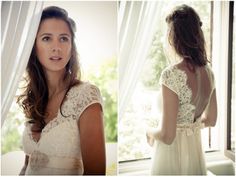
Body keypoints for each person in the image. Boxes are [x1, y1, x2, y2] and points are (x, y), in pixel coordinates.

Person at [18, 6, 106, 175]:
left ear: (71, 47)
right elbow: (27, 166)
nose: (56, 47)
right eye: (46, 38)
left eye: (64, 39)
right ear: (33, 46)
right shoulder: (34, 99)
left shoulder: (86, 95)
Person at [146, 5, 217, 175]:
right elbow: (212, 120)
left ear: (174, 37)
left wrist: (149, 130)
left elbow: (167, 136)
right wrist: (190, 127)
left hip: (171, 156)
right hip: (195, 153)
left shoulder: (171, 75)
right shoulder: (209, 73)